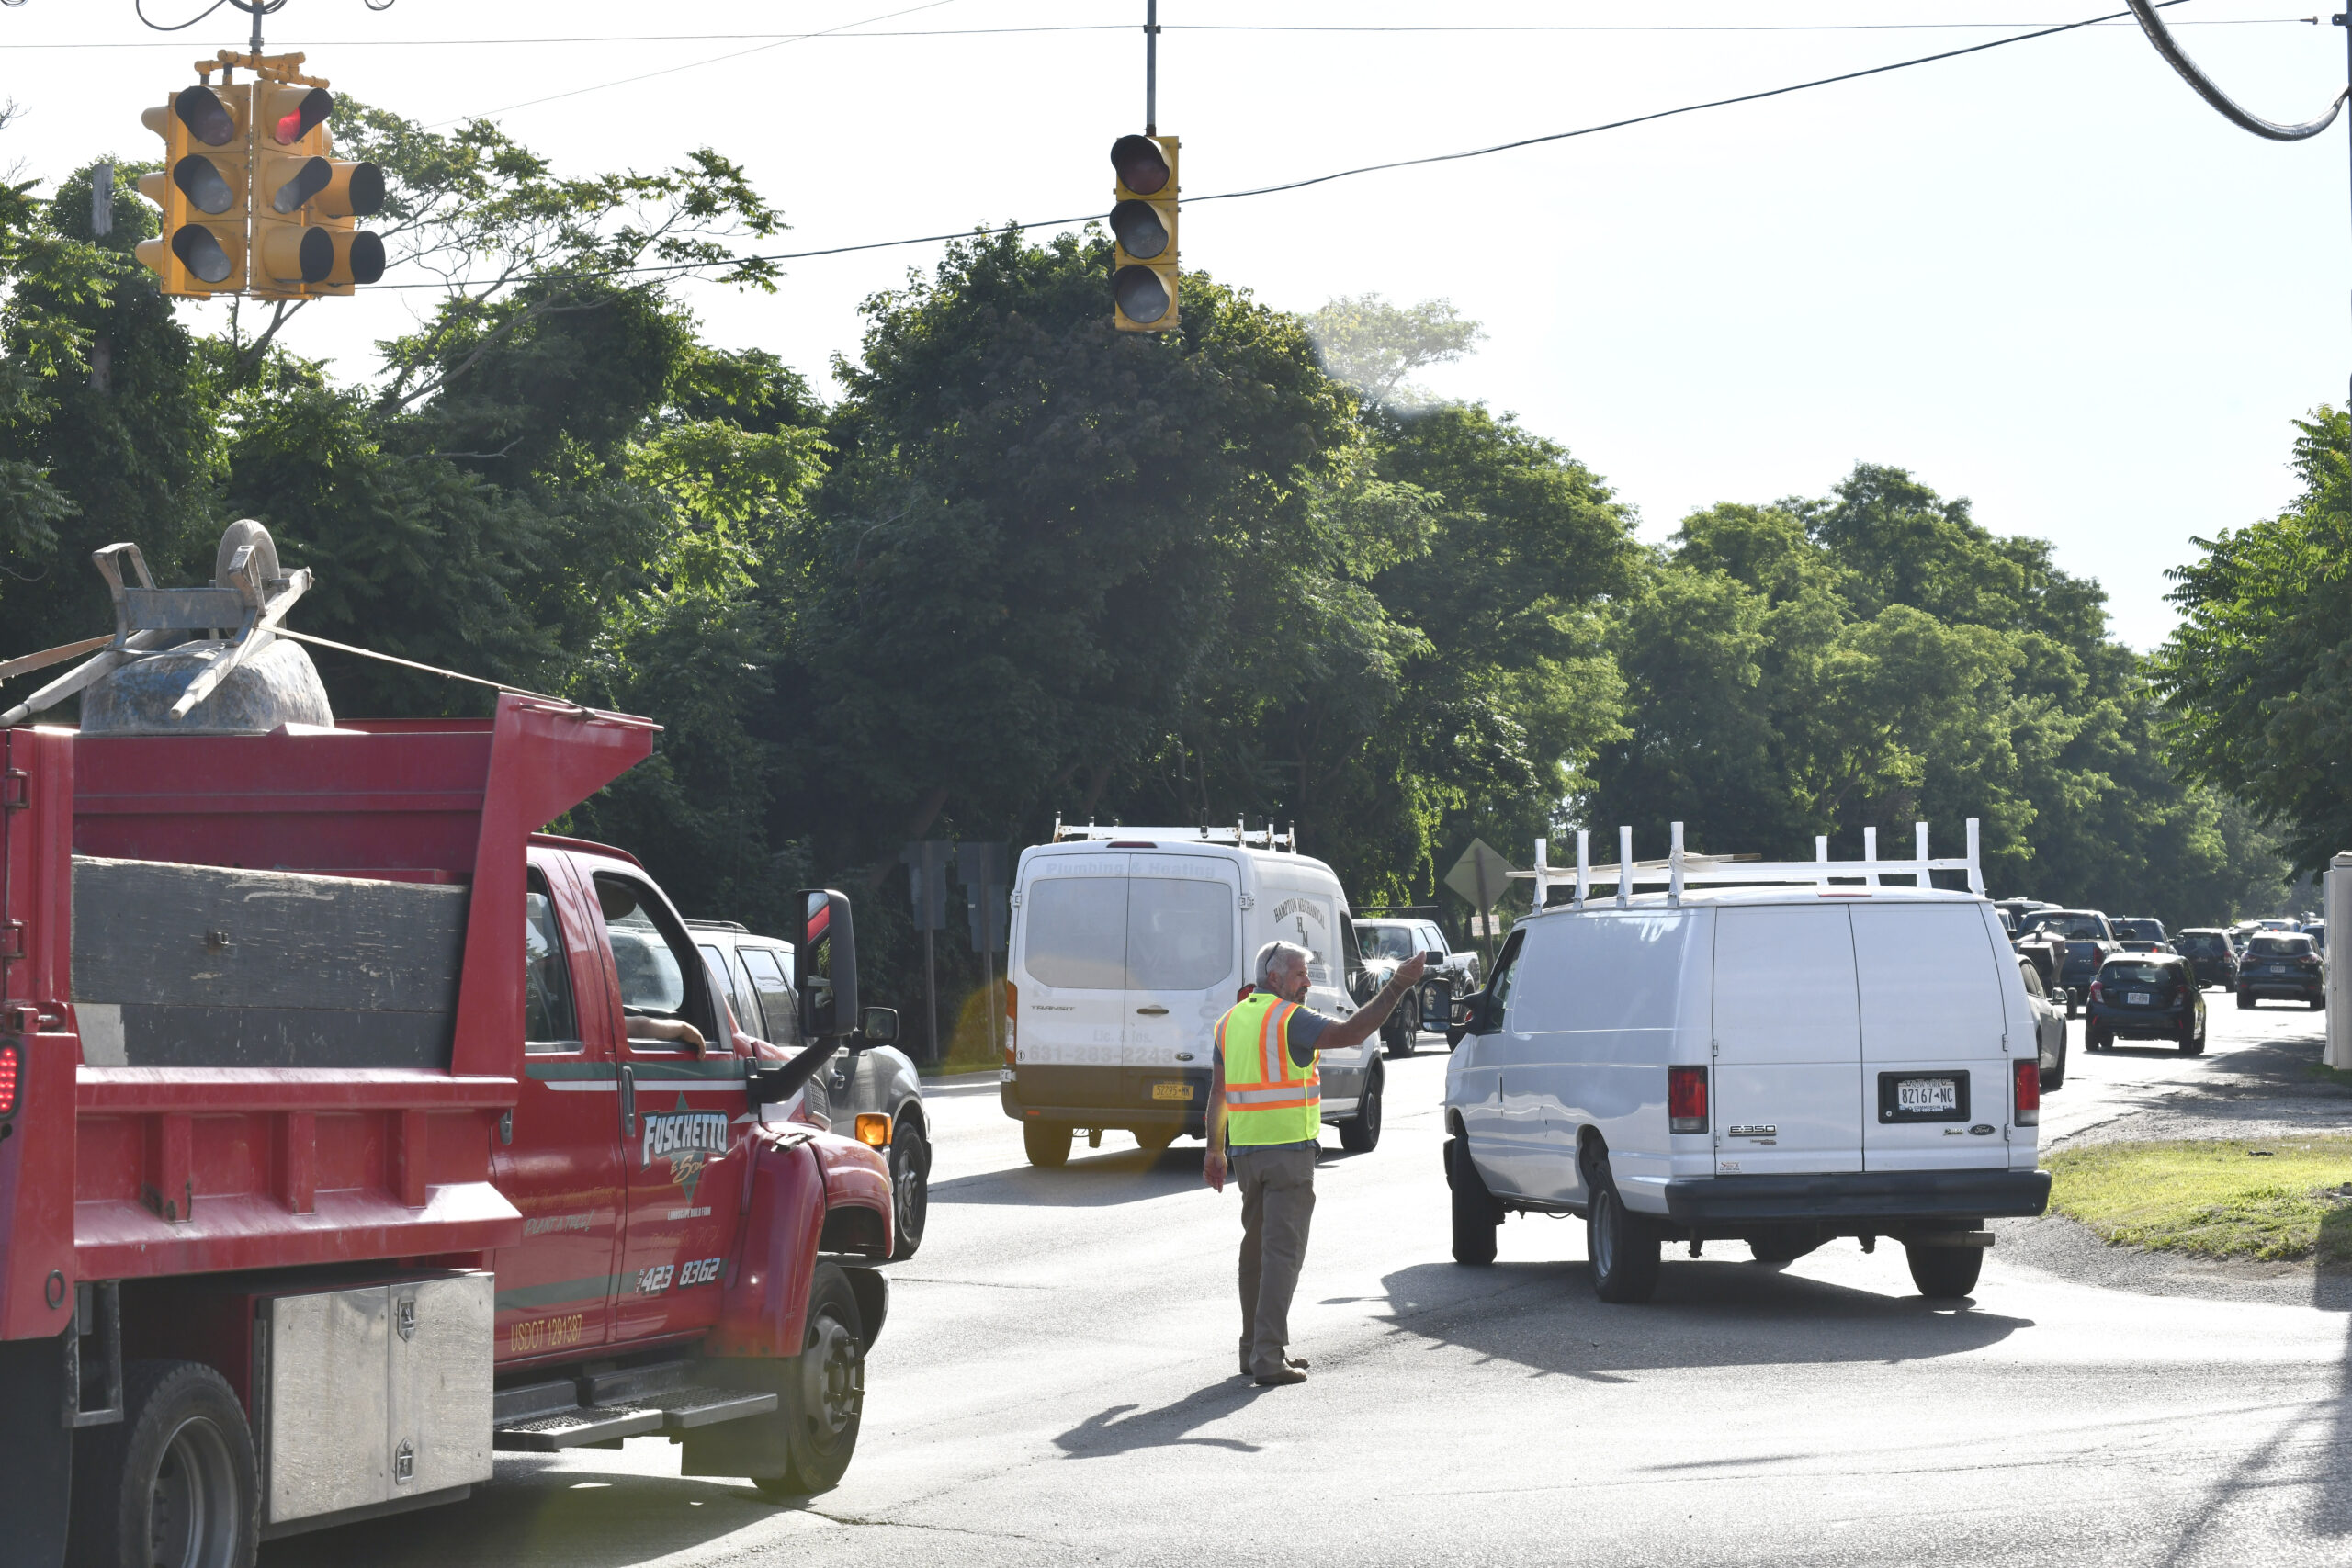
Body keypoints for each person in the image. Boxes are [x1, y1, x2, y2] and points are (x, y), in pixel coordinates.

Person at [1204, 939, 1425, 1386]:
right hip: (1288, 1154)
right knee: (1282, 1254)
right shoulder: (1289, 1018)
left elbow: (1219, 1092)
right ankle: (1268, 1357)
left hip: (1246, 1156)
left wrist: (1214, 1150)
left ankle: (1252, 1350)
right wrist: (1396, 987)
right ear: (1275, 978)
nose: (1308, 983)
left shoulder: (1229, 1022)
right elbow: (1350, 1034)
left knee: (1256, 1255)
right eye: (1301, 974)